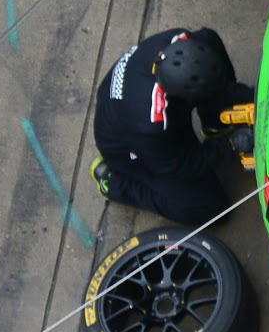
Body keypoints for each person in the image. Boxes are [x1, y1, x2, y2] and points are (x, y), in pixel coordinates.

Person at [90, 27, 254, 224]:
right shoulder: (151, 127)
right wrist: (230, 146)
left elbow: (212, 58)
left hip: (134, 101)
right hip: (125, 148)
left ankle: (215, 125)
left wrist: (240, 95)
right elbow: (181, 164)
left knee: (209, 38)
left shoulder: (185, 41)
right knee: (211, 209)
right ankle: (114, 183)